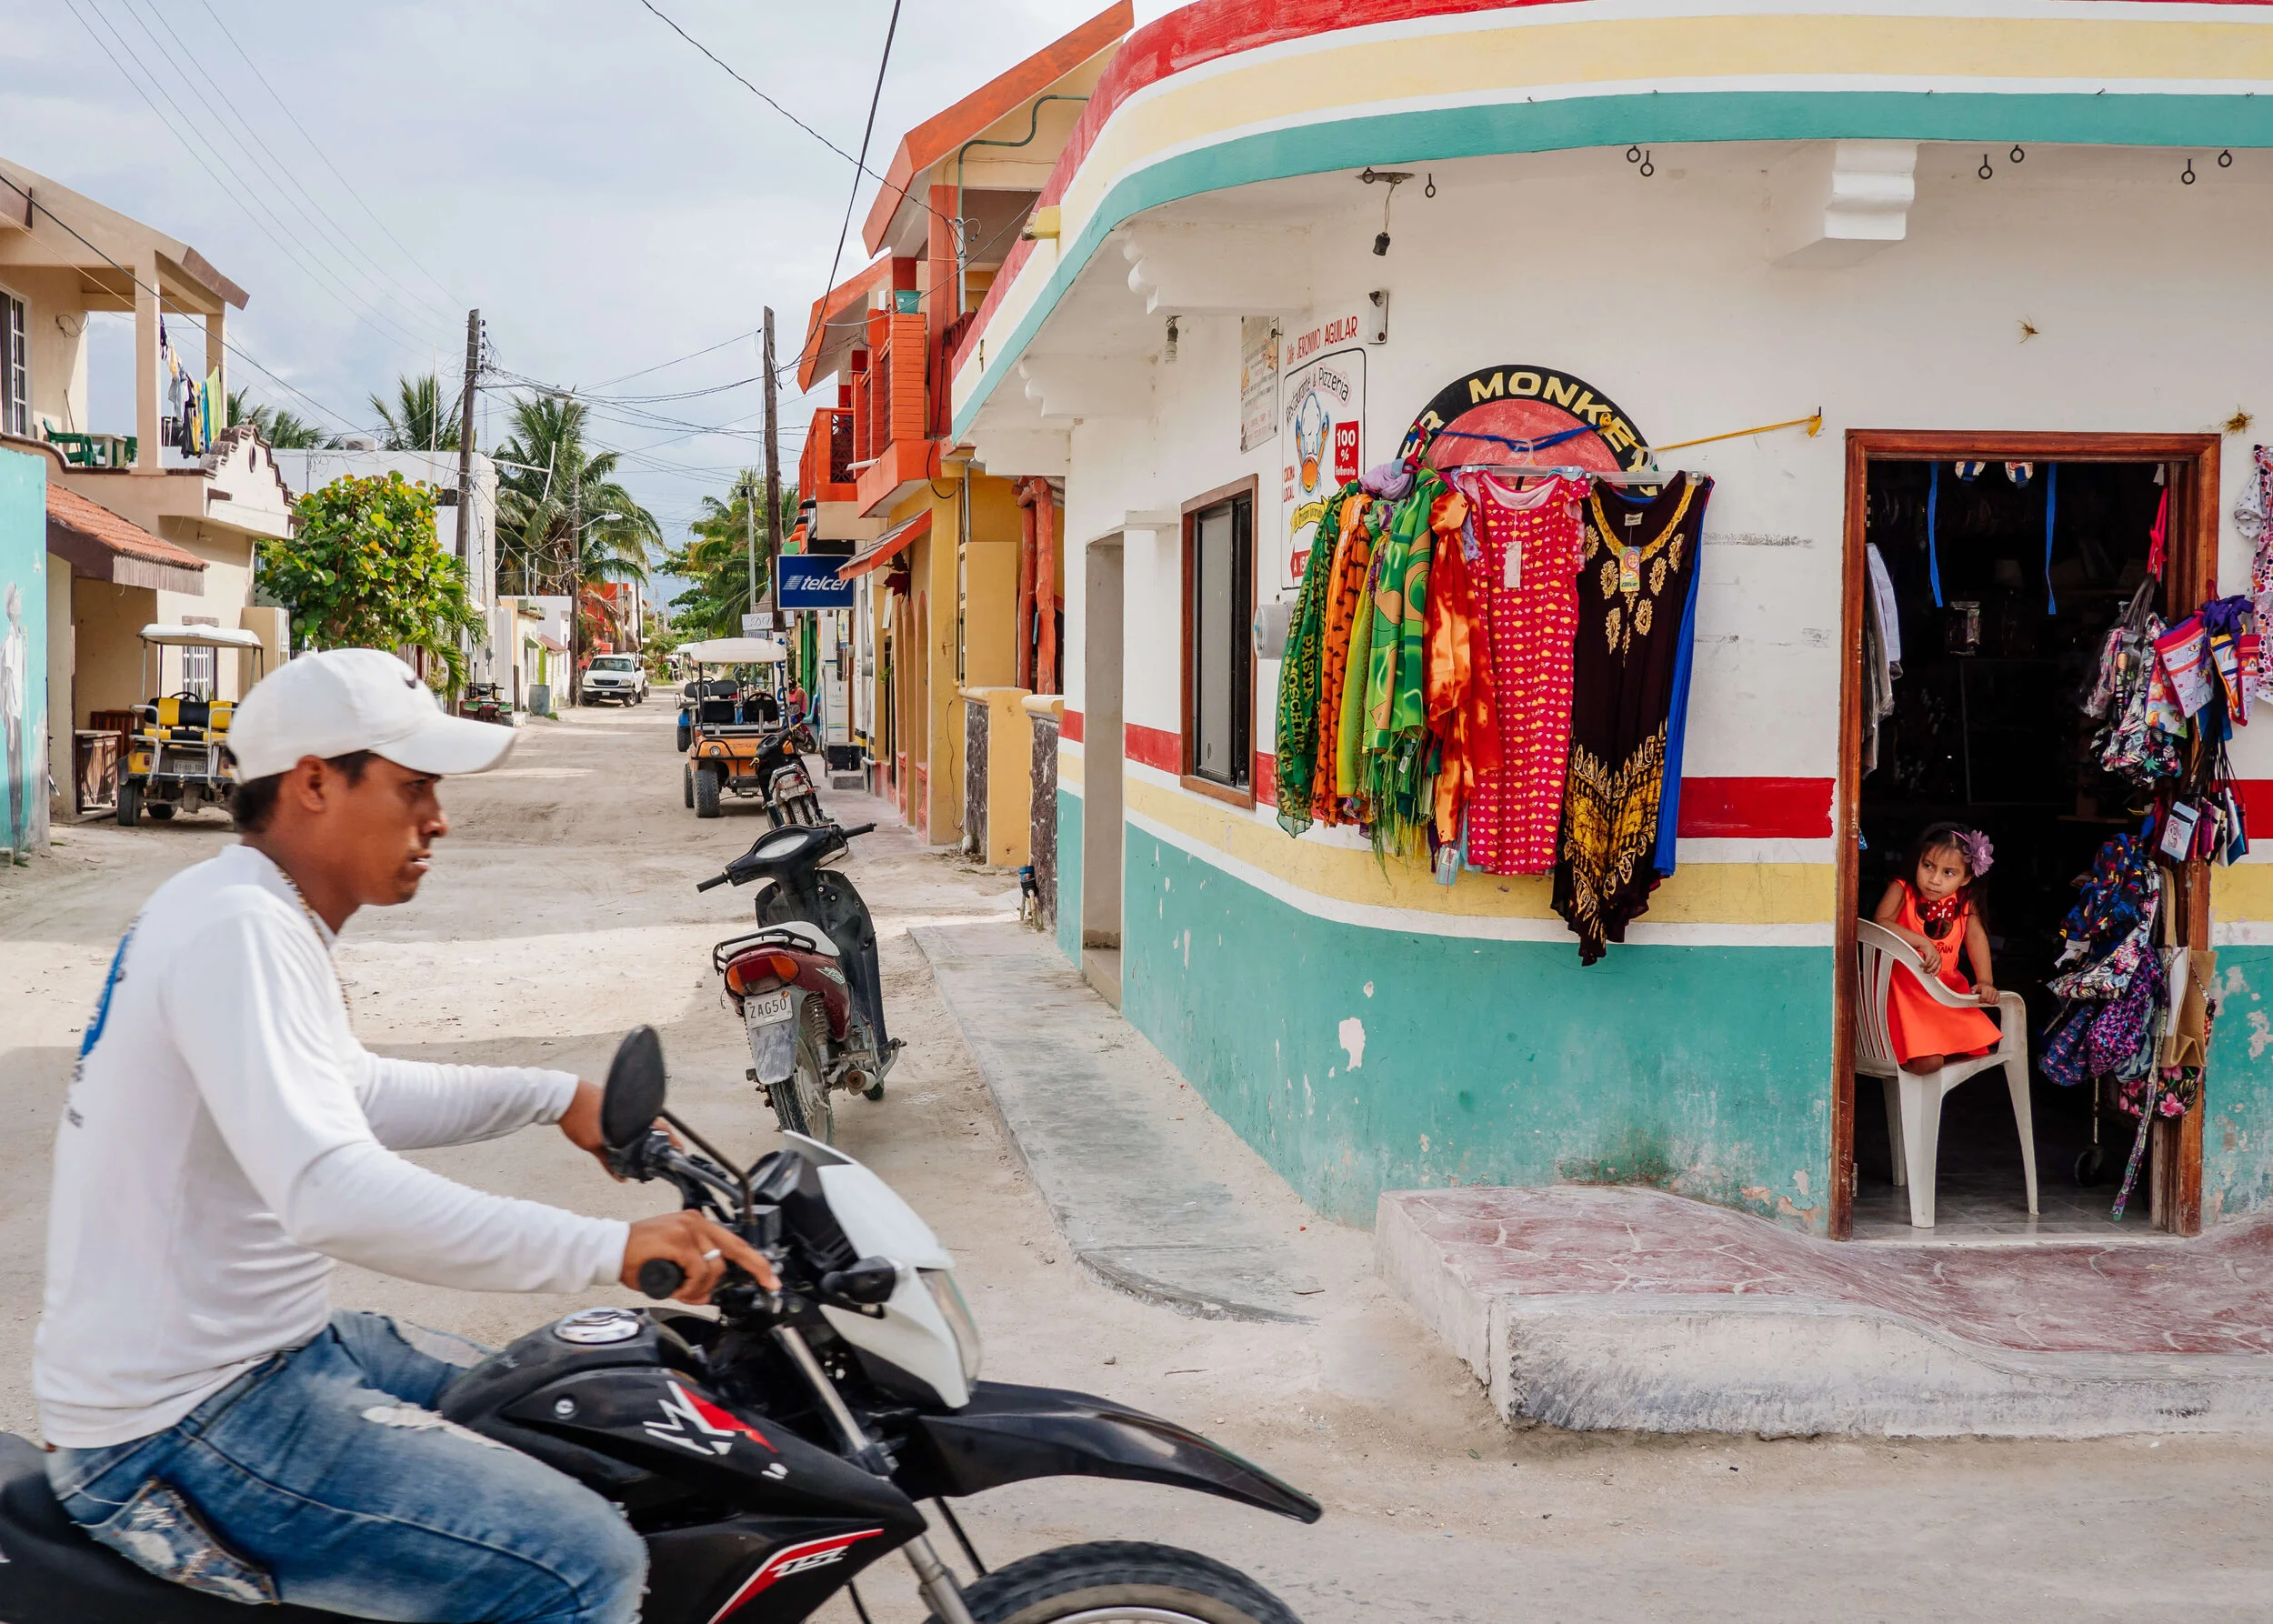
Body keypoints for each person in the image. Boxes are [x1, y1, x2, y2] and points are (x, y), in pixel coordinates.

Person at [34, 647, 774, 1624]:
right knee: (582, 1562)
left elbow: (350, 1090)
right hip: (186, 1420)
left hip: (267, 1358)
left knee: (578, 1419)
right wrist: (612, 1248)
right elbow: (330, 1188)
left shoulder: (247, 910)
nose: (439, 818)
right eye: (413, 787)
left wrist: (554, 1095)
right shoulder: (239, 930)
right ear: (310, 784)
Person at [1871, 822, 2001, 1073]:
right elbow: (1880, 922)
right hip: (1902, 992)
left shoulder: (1964, 901)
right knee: (1929, 1062)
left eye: (1948, 873)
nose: (1934, 879)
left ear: (1966, 878)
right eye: (1928, 866)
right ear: (1917, 861)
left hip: (1942, 993)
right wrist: (1921, 941)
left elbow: (1975, 939)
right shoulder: (1902, 889)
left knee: (1951, 1056)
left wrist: (1985, 980)